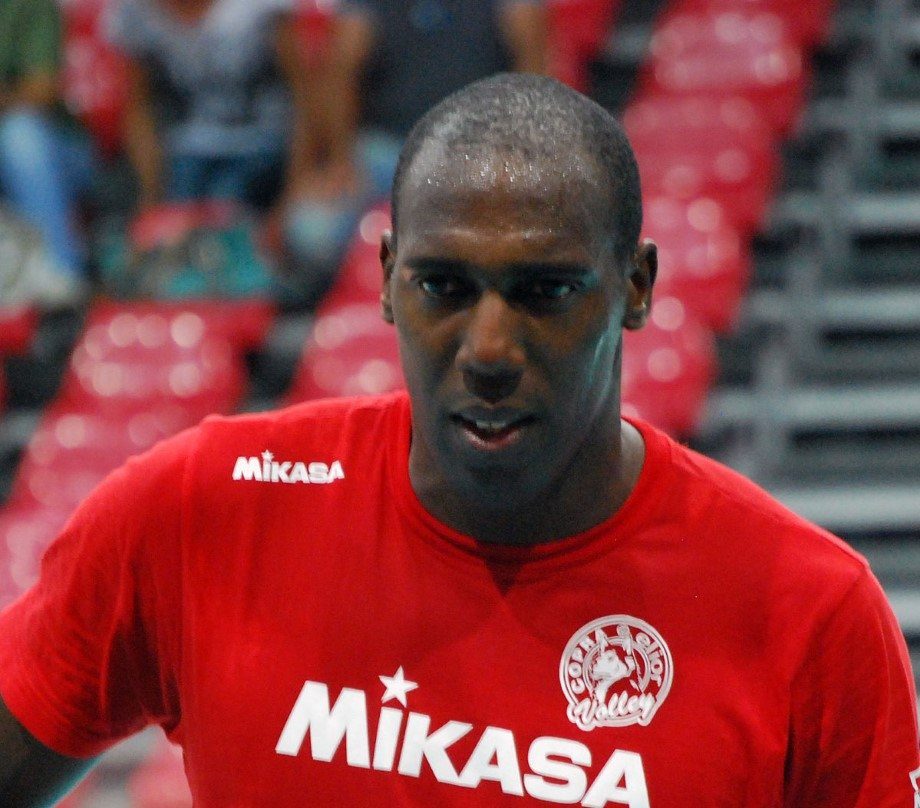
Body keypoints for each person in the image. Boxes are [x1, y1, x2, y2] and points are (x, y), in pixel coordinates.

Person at [0, 73, 918, 806]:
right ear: (387, 277)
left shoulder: (810, 615)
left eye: (545, 292)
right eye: (444, 287)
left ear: (636, 287)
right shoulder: (197, 511)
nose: (488, 351)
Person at [282, 0, 546, 284]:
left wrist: (516, 151)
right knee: (313, 229)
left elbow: (533, 73)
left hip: (479, 152)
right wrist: (340, 161)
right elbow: (341, 72)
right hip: (387, 151)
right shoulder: (370, 8)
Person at [106, 0, 317, 212]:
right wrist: (151, 197)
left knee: (222, 203)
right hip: (186, 153)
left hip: (262, 146)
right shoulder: (136, 11)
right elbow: (138, 107)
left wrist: (293, 191)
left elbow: (303, 94)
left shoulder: (262, 8)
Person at [0, 0, 95, 296]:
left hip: (55, 148)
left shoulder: (27, 4)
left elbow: (41, 89)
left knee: (20, 135)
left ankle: (61, 279)